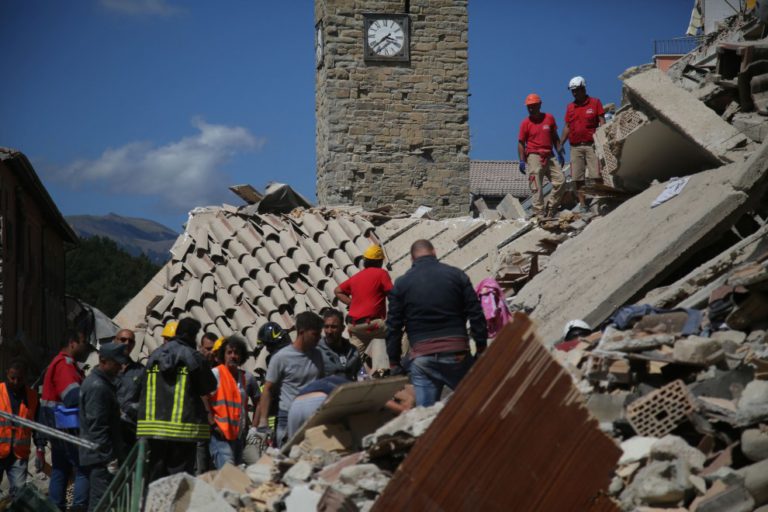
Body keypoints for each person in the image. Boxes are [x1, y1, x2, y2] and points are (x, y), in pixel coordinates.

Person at [386, 240, 488, 407]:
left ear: (412, 259)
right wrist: (481, 347)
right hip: (457, 354)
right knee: (475, 406)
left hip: (422, 358)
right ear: (434, 252)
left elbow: (393, 326)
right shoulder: (457, 275)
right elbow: (476, 313)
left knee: (424, 416)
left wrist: (394, 362)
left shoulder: (402, 284)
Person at [137, 317, 217, 482]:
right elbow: (208, 386)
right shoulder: (193, 357)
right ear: (192, 335)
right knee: (177, 483)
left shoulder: (154, 356)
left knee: (155, 479)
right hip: (182, 431)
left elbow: (141, 387)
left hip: (153, 429)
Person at [40, 328, 92, 511]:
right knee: (83, 467)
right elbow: (71, 397)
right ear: (73, 343)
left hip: (56, 426)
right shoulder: (64, 365)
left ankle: (55, 507)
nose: (85, 347)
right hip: (66, 426)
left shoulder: (58, 363)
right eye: (83, 342)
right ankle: (78, 507)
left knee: (60, 468)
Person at [257, 312, 325, 448]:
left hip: (313, 417)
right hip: (287, 419)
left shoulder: (318, 355)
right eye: (314, 334)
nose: (318, 338)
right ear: (301, 332)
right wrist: (263, 421)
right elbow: (268, 389)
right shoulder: (280, 358)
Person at [79, 342, 129, 511]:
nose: (120, 368)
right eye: (116, 364)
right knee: (101, 502)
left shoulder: (102, 383)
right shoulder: (98, 387)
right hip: (100, 458)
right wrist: (109, 458)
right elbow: (97, 427)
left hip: (99, 456)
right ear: (103, 361)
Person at [334, 244, 393, 367]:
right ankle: (389, 371)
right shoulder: (381, 273)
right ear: (379, 261)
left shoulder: (356, 277)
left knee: (356, 362)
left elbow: (337, 291)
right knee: (398, 333)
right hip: (373, 324)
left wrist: (351, 303)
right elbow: (393, 295)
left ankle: (354, 379)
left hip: (354, 326)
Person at [206, 336, 260, 469]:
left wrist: (254, 427)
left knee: (238, 472)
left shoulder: (246, 378)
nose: (233, 356)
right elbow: (203, 398)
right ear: (223, 355)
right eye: (229, 352)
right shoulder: (215, 374)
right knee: (228, 472)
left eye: (236, 353)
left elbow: (260, 402)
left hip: (239, 436)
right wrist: (212, 423)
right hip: (220, 435)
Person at [558, 76, 605, 213]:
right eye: (572, 91)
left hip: (592, 145)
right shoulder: (570, 107)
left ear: (583, 88)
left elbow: (602, 121)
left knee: (596, 174)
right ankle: (583, 204)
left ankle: (600, 201)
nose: (574, 93)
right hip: (575, 147)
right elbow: (567, 126)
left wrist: (602, 138)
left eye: (577, 90)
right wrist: (561, 143)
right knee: (577, 178)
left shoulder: (595, 103)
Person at [518, 93, 566, 219]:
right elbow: (521, 143)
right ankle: (539, 212)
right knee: (536, 186)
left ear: (539, 105)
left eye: (533, 106)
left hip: (549, 154)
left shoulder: (549, 118)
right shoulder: (525, 123)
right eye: (529, 107)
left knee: (561, 181)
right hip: (534, 155)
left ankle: (551, 208)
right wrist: (522, 161)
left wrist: (560, 151)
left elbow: (554, 137)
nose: (531, 109)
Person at [0, 360, 38, 498]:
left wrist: (40, 446)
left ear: (25, 377)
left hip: (18, 455)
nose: (16, 382)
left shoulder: (32, 397)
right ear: (6, 374)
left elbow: (37, 426)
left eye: (20, 378)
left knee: (19, 495)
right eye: (12, 378)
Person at [286, 375, 349, 439]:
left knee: (293, 445)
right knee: (322, 443)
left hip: (295, 404)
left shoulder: (320, 382)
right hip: (318, 401)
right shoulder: (351, 386)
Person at [113, 329, 143, 448]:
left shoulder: (140, 371)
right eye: (123, 340)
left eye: (130, 341)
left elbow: (146, 399)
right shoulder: (104, 369)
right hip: (109, 430)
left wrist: (130, 409)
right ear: (115, 341)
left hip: (130, 430)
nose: (127, 343)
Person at [317, 308, 361, 380]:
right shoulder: (317, 353)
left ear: (342, 328)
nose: (329, 331)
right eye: (326, 327)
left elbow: (360, 375)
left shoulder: (353, 352)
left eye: (334, 327)